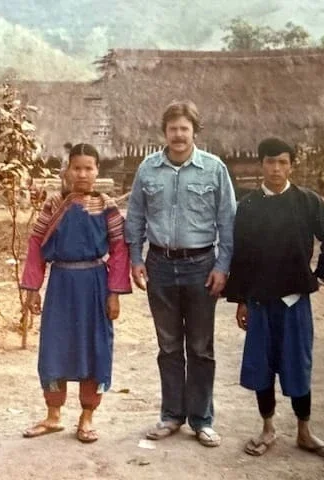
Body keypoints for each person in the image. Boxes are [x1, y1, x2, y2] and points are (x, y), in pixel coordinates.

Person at [125, 100, 236, 447]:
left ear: (194, 132)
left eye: (184, 129)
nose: (178, 135)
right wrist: (135, 257)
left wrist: (223, 265)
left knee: (201, 347)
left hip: (201, 266)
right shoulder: (148, 169)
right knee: (169, 346)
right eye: (172, 129)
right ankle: (171, 415)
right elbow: (135, 217)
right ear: (165, 132)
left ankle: (202, 419)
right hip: (159, 264)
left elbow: (228, 222)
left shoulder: (214, 169)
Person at [223, 137, 324, 459]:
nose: (276, 169)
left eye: (282, 162)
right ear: (260, 164)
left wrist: (320, 274)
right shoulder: (247, 207)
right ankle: (267, 428)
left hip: (294, 301)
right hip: (260, 302)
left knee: (298, 365)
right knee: (262, 365)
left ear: (291, 165)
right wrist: (241, 300)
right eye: (270, 162)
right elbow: (241, 257)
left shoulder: (307, 202)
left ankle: (305, 431)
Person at [20, 143, 132, 443]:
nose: (83, 174)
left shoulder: (108, 207)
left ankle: (86, 417)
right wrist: (32, 288)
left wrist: (114, 293)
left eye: (89, 168)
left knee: (95, 348)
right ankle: (53, 416)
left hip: (94, 284)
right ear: (67, 170)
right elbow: (35, 246)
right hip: (61, 285)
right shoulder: (54, 205)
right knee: (55, 347)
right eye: (77, 168)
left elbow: (120, 251)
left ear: (97, 171)